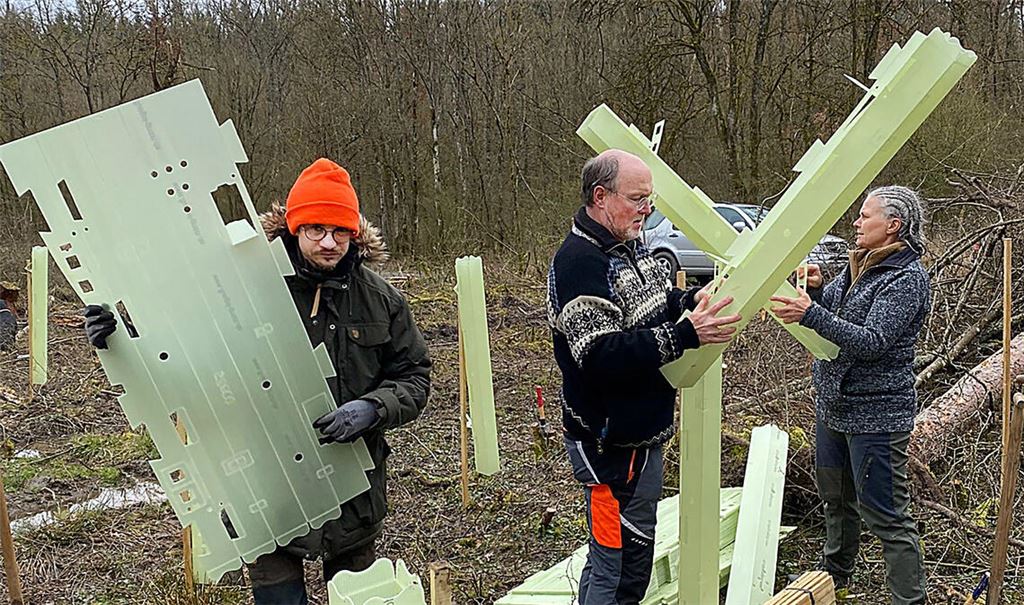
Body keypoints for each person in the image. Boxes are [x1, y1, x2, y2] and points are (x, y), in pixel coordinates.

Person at [83, 158, 431, 604]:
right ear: (294, 227)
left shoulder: (381, 299)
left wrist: (373, 408)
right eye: (316, 230)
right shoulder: (241, 288)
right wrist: (119, 341)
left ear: (354, 233)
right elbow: (185, 358)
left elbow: (414, 377)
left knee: (357, 595)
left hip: (354, 493)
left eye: (339, 231)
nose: (329, 243)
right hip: (266, 489)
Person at [547, 149, 742, 604]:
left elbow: (657, 308)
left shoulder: (630, 247)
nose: (647, 208)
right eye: (637, 198)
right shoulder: (580, 262)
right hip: (606, 443)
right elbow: (599, 355)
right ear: (601, 197)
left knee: (633, 557)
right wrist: (684, 336)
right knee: (615, 567)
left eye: (649, 199)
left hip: (641, 433)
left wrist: (692, 301)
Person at [771, 186, 930, 605]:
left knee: (886, 514)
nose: (856, 223)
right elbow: (837, 316)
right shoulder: (861, 264)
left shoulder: (905, 278)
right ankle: (835, 575)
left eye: (865, 216)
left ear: (893, 225)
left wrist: (812, 313)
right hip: (834, 406)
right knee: (837, 500)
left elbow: (873, 340)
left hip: (876, 415)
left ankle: (908, 599)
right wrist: (821, 291)